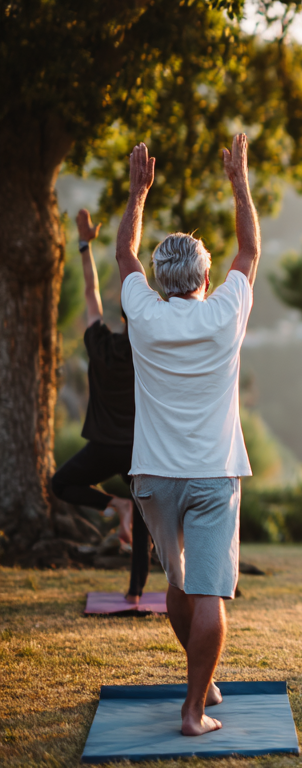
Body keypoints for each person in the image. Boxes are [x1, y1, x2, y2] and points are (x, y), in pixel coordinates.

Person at [118, 135, 259, 736]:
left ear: (158, 278)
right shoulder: (223, 312)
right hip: (213, 473)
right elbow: (250, 248)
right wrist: (238, 180)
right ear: (205, 278)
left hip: (153, 477)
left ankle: (199, 679)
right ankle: (193, 710)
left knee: (178, 583)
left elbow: (123, 253)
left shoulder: (143, 314)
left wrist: (137, 193)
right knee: (208, 593)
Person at [51, 208, 151, 604]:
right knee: (143, 519)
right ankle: (135, 591)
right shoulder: (149, 352)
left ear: (120, 318)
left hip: (102, 447)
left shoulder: (99, 344)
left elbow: (92, 293)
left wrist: (84, 244)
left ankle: (114, 505)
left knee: (62, 484)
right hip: (136, 451)